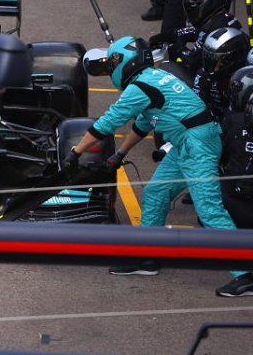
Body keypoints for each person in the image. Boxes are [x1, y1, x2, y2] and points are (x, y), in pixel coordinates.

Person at [63, 36, 253, 296]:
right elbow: (142, 124)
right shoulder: (153, 78)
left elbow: (108, 123)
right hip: (188, 143)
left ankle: (245, 274)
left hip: (196, 145)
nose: (112, 68)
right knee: (156, 193)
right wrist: (119, 154)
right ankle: (147, 256)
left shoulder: (139, 87)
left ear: (126, 62)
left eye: (114, 62)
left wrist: (76, 151)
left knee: (209, 209)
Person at [150, 0, 242, 74]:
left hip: (215, 80)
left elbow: (192, 61)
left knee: (167, 68)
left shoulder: (210, 28)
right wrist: (168, 35)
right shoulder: (225, 19)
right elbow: (194, 32)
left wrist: (178, 48)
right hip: (231, 72)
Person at [218, 78, 253, 229]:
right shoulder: (234, 121)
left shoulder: (234, 121)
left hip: (233, 201)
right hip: (236, 200)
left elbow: (220, 156)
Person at [192, 27, 249, 119]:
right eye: (208, 58)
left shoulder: (247, 80)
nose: (210, 66)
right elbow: (197, 105)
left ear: (233, 58)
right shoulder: (203, 75)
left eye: (217, 61)